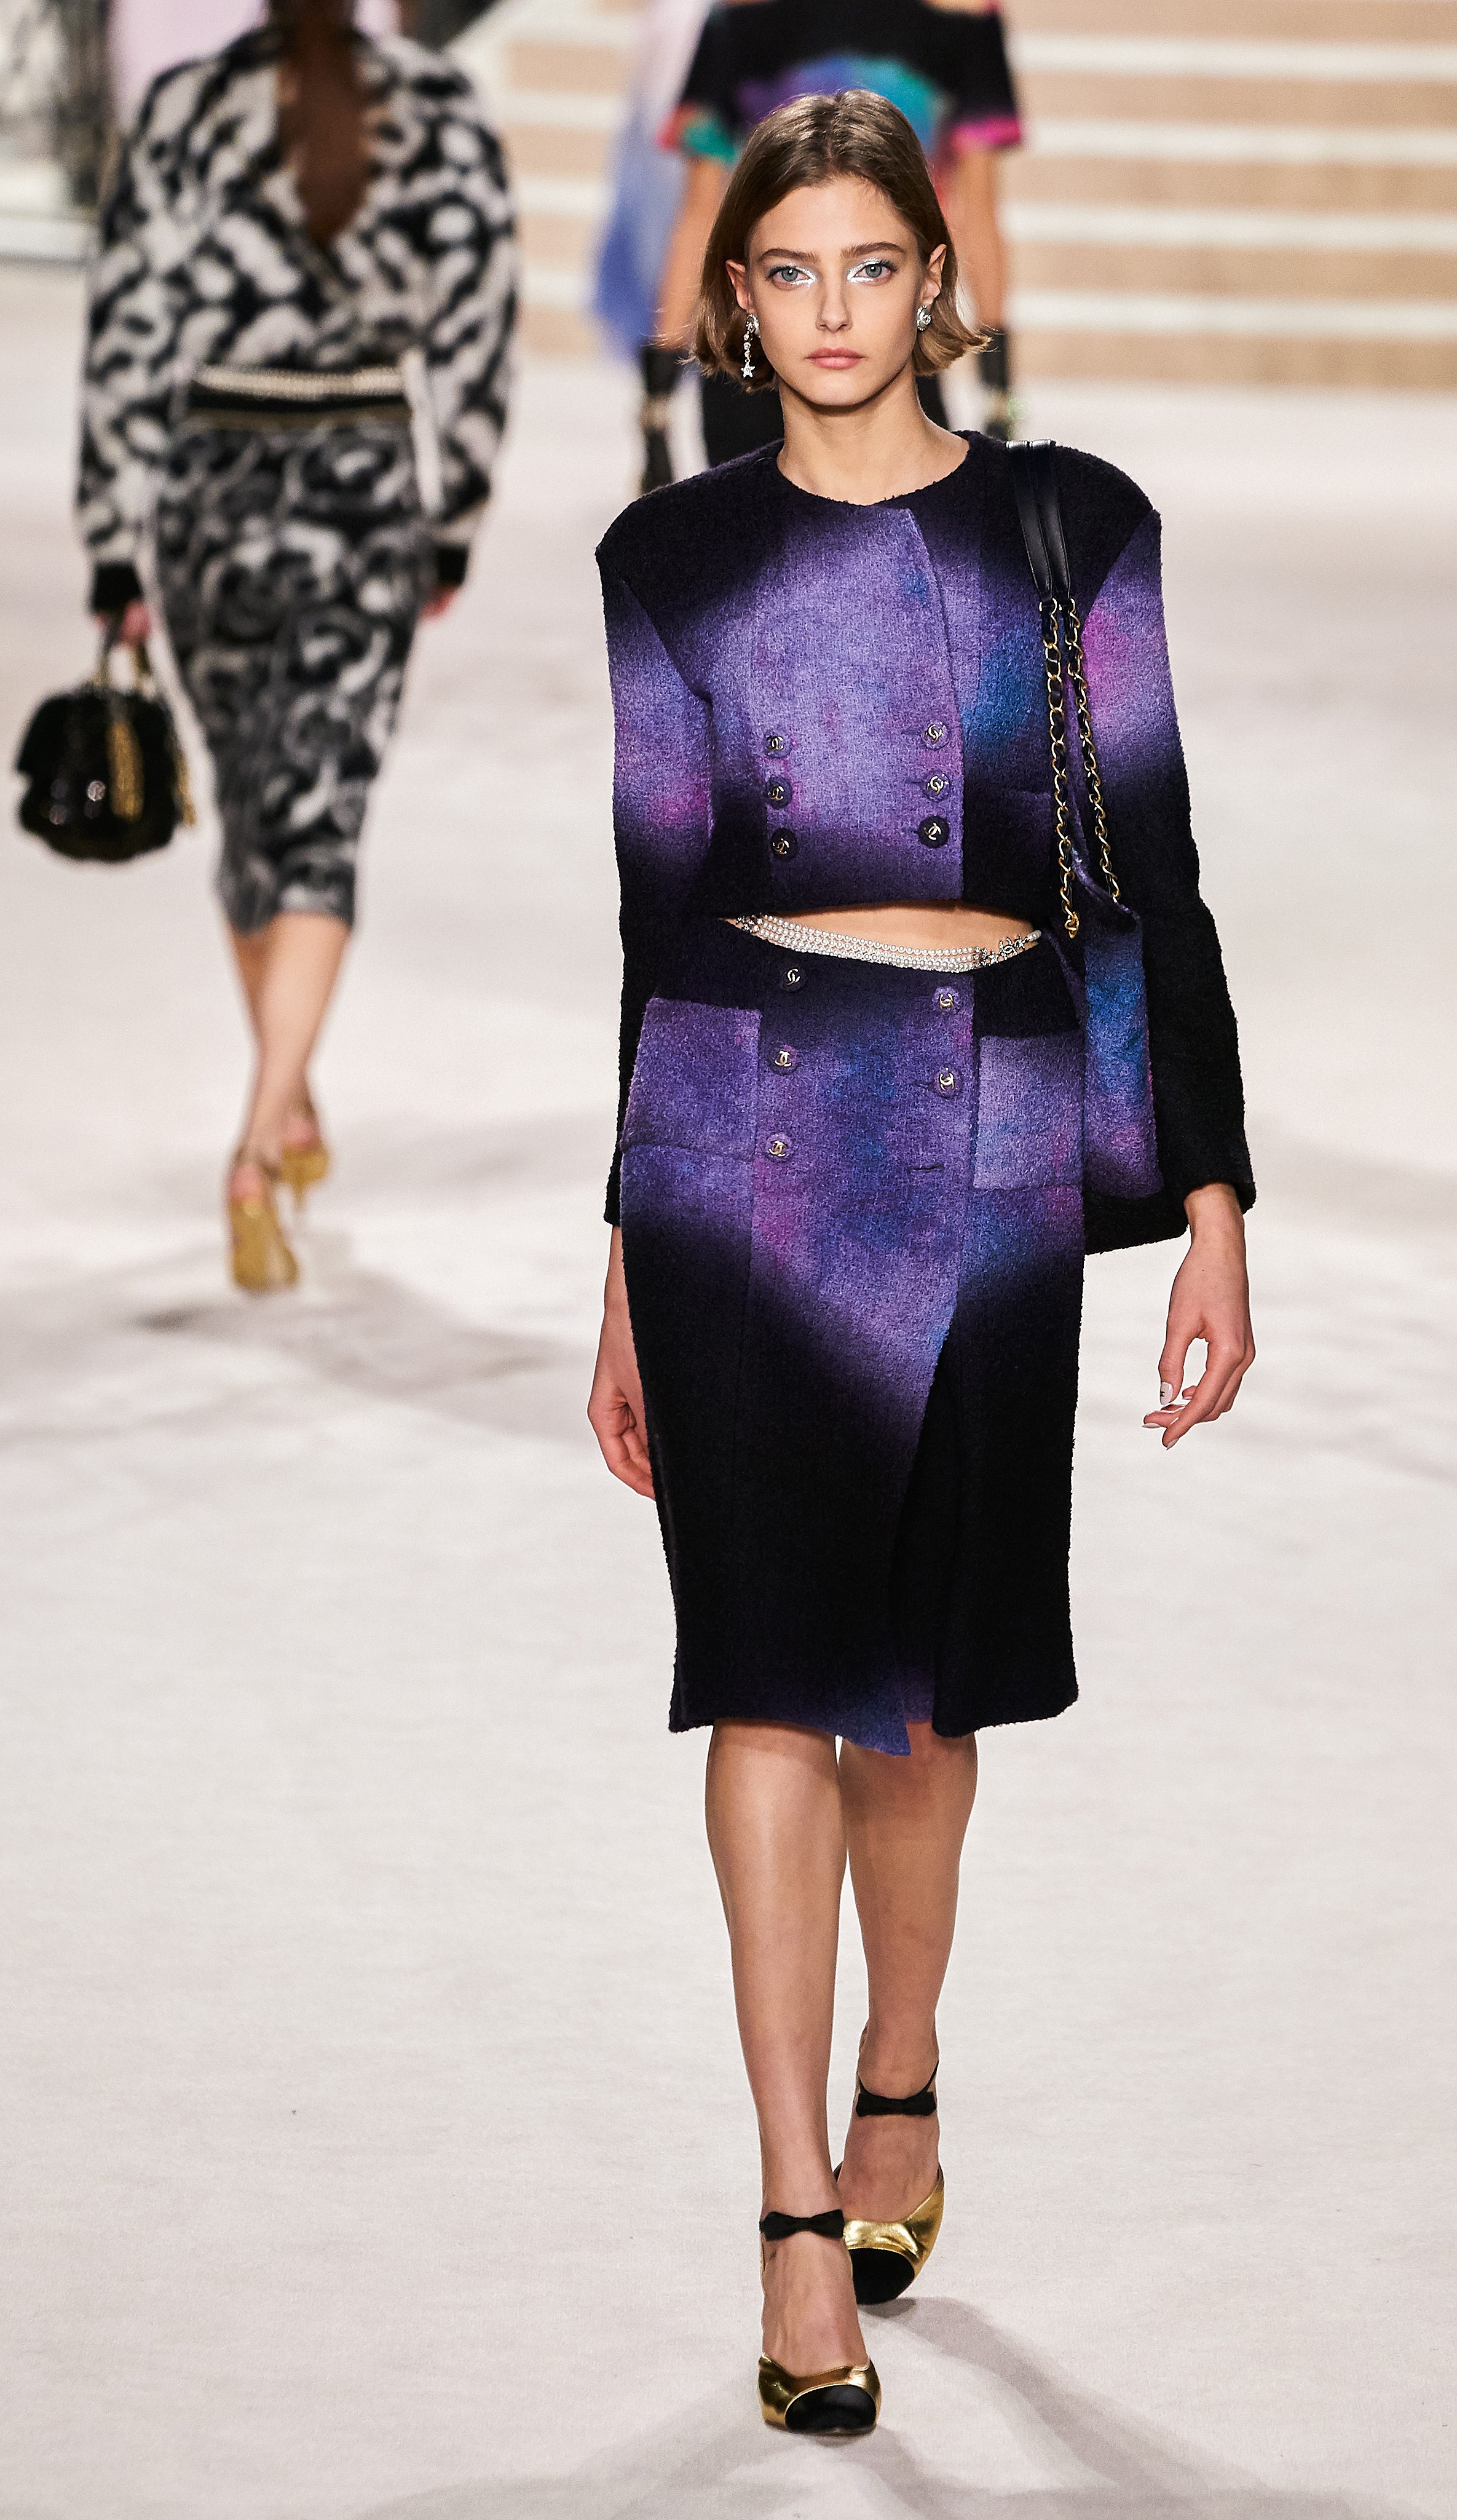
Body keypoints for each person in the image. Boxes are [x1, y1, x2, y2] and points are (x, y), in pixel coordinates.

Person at [587, 90, 1256, 2436]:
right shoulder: (667, 557)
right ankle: (795, 2213)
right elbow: (656, 909)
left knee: (924, 1696)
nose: (835, 310)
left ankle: (900, 2062)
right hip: (737, 1145)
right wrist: (619, 1253)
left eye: (873, 264)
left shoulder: (1068, 528)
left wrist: (1208, 1199)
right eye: (791, 272)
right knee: (770, 1678)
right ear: (733, 298)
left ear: (933, 280)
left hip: (987, 1130)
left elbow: (1148, 866)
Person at [77, 0, 517, 1291]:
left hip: (206, 493)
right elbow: (476, 328)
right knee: (319, 816)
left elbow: (124, 332)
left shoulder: (183, 110)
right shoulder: (434, 109)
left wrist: (112, 542)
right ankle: (263, 1136)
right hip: (360, 490)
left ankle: (284, 1092)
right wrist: (456, 515)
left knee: (254, 816)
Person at [637, 0, 1021, 488]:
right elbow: (976, 213)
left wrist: (657, 402)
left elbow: (701, 214)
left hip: (771, 339)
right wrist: (998, 395)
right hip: (878, 330)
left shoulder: (742, 10)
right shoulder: (963, 14)